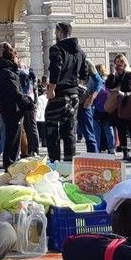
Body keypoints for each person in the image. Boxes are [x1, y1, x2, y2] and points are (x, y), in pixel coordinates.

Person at [44, 22, 88, 162]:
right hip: (74, 94)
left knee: (52, 128)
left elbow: (56, 68)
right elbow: (84, 73)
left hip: (60, 93)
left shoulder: (56, 49)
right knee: (69, 130)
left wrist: (51, 89)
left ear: (60, 32)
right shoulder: (80, 52)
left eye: (56, 32)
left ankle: (54, 162)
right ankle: (69, 162)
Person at [0, 43, 28, 171]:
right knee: (9, 136)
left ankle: (9, 162)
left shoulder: (7, 69)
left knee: (12, 136)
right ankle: (9, 164)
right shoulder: (3, 70)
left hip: (9, 106)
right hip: (10, 107)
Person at [104, 54, 131, 159]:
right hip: (117, 107)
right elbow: (108, 85)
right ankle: (125, 151)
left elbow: (130, 87)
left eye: (120, 62)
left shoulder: (129, 74)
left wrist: (118, 89)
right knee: (120, 129)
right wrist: (112, 74)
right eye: (116, 62)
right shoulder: (115, 75)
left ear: (125, 63)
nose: (118, 65)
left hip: (127, 105)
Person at [76, 60, 100, 153]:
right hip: (71, 102)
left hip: (84, 103)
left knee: (89, 134)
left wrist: (92, 97)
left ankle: (94, 158)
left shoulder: (87, 62)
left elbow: (99, 81)